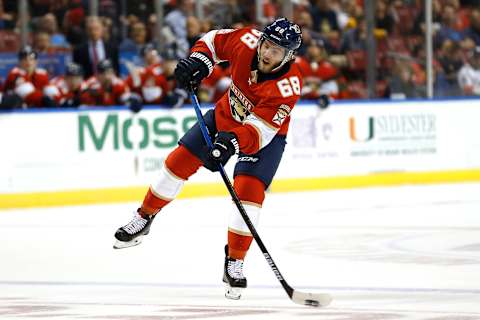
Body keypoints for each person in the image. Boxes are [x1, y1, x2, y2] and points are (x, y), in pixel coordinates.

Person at [113, 18, 303, 300]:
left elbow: (259, 131)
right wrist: (200, 61)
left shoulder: (288, 86)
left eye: (276, 51)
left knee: (248, 195)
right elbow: (214, 40)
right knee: (177, 163)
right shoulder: (246, 41)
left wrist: (231, 143)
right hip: (224, 116)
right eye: (267, 44)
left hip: (263, 139)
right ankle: (144, 218)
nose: (266, 53)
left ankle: (234, 261)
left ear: (288, 56)